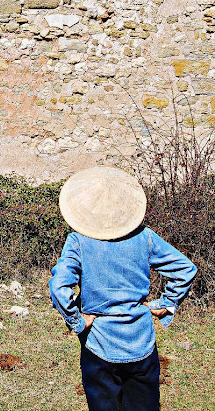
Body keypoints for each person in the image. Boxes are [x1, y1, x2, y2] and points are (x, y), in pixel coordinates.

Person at [49, 166, 197, 411]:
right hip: (141, 343)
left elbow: (58, 285)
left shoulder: (78, 241)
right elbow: (185, 269)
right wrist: (165, 304)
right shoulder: (145, 237)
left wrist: (77, 321)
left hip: (98, 344)